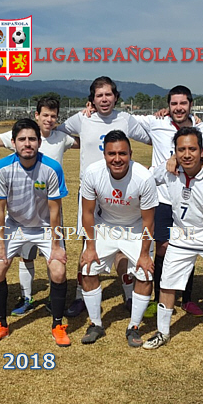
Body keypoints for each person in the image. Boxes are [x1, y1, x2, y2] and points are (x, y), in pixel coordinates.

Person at [56, 76, 151, 317]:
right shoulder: (82, 118)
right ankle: (81, 295)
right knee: (87, 243)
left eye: (108, 94)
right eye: (99, 95)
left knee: (121, 244)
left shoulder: (125, 119)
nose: (104, 99)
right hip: (91, 190)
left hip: (120, 189)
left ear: (116, 97)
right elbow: (57, 133)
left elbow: (152, 138)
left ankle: (129, 293)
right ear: (92, 99)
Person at [142, 128, 203, 354]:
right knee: (167, 284)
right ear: (174, 152)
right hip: (181, 236)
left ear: (202, 151)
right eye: (181, 149)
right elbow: (145, 180)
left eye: (192, 149)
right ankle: (162, 332)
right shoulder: (169, 170)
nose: (186, 154)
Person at [0, 118, 71, 347]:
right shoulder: (2, 168)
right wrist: (0, 246)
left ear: (39, 142)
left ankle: (58, 325)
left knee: (58, 270)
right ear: (13, 143)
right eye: (22, 139)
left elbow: (55, 211)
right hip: (15, 226)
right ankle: (1, 324)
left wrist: (56, 246)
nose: (27, 143)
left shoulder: (52, 168)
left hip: (45, 227)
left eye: (32, 139)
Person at [0, 97, 79, 316]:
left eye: (53, 116)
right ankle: (27, 297)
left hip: (49, 208)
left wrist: (92, 117)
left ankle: (54, 297)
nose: (49, 119)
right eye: (45, 115)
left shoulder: (62, 138)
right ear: (37, 115)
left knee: (55, 258)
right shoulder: (23, 133)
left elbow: (85, 142)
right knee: (26, 256)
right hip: (23, 208)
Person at [80, 130, 158, 346]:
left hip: (136, 227)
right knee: (87, 268)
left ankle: (134, 327)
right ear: (104, 154)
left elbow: (148, 220)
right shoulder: (92, 173)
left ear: (130, 154)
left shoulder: (144, 177)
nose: (117, 159)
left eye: (122, 153)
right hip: (105, 225)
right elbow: (87, 213)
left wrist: (144, 254)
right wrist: (90, 247)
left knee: (145, 272)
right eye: (111, 153)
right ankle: (96, 324)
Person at [132, 86, 203, 317]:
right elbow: (124, 119)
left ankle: (187, 298)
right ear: (168, 106)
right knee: (162, 248)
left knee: (188, 246)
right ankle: (158, 297)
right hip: (162, 198)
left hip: (190, 198)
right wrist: (93, 108)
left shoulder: (201, 128)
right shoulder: (156, 123)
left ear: (190, 104)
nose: (178, 108)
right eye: (174, 104)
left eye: (183, 103)